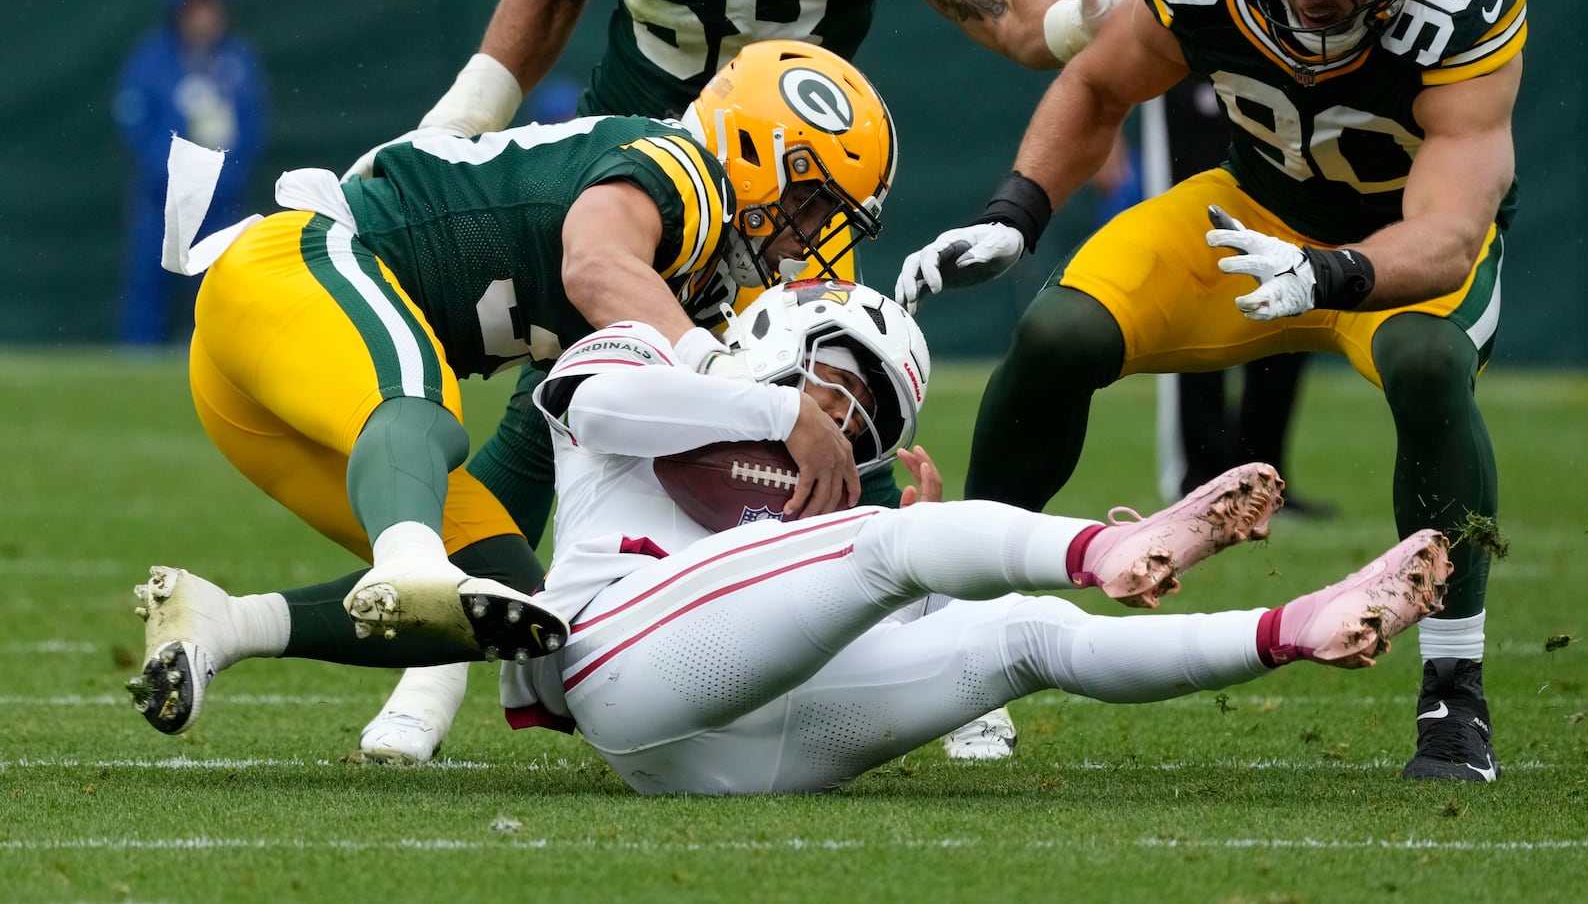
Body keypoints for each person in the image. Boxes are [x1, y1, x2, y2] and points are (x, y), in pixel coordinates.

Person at [347, 0, 1147, 763]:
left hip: (789, 186)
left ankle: (949, 638)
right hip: (646, 170)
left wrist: (1068, 28)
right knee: (554, 405)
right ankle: (432, 670)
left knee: (838, 411)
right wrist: (455, 122)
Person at [131, 277, 1452, 792]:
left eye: (866, 412)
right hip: (622, 662)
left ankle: (1294, 625)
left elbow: (854, 587)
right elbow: (583, 396)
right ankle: (1107, 545)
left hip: (737, 751)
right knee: (891, 554)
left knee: (1024, 637)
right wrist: (792, 404)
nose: (845, 424)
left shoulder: (819, 486)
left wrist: (876, 490)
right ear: (772, 340)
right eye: (840, 381)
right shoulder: (649, 353)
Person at [896, 0, 1522, 783]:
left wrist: (1333, 271)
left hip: (1392, 245)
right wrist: (1014, 215)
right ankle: (969, 639)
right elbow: (1101, 81)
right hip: (1250, 212)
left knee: (1433, 368)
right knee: (1059, 333)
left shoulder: (1465, 5)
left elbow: (1449, 229)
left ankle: (1453, 692)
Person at [128, 40, 896, 737]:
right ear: (758, 148)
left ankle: (223, 623)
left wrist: (882, 519)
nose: (807, 235)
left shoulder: (690, 287)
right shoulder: (682, 173)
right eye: (811, 202)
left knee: (520, 611)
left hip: (259, 392)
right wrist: (737, 385)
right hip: (296, 266)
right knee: (424, 407)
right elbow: (592, 265)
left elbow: (569, 451)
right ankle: (410, 555)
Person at [1093, 0, 1334, 515]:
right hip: (1187, 111)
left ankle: (1265, 469)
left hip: (1289, 110)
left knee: (1292, 272)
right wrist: (1107, 125)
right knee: (1192, 280)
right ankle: (1197, 473)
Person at [112, 0, 267, 347]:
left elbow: (252, 126)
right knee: (148, 277)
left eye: (209, 7)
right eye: (193, 7)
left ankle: (215, 359)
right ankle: (139, 353)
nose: (202, 18)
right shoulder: (152, 57)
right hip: (161, 197)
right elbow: (133, 118)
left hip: (221, 198)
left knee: (217, 286)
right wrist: (168, 171)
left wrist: (223, 175)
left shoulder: (239, 61)